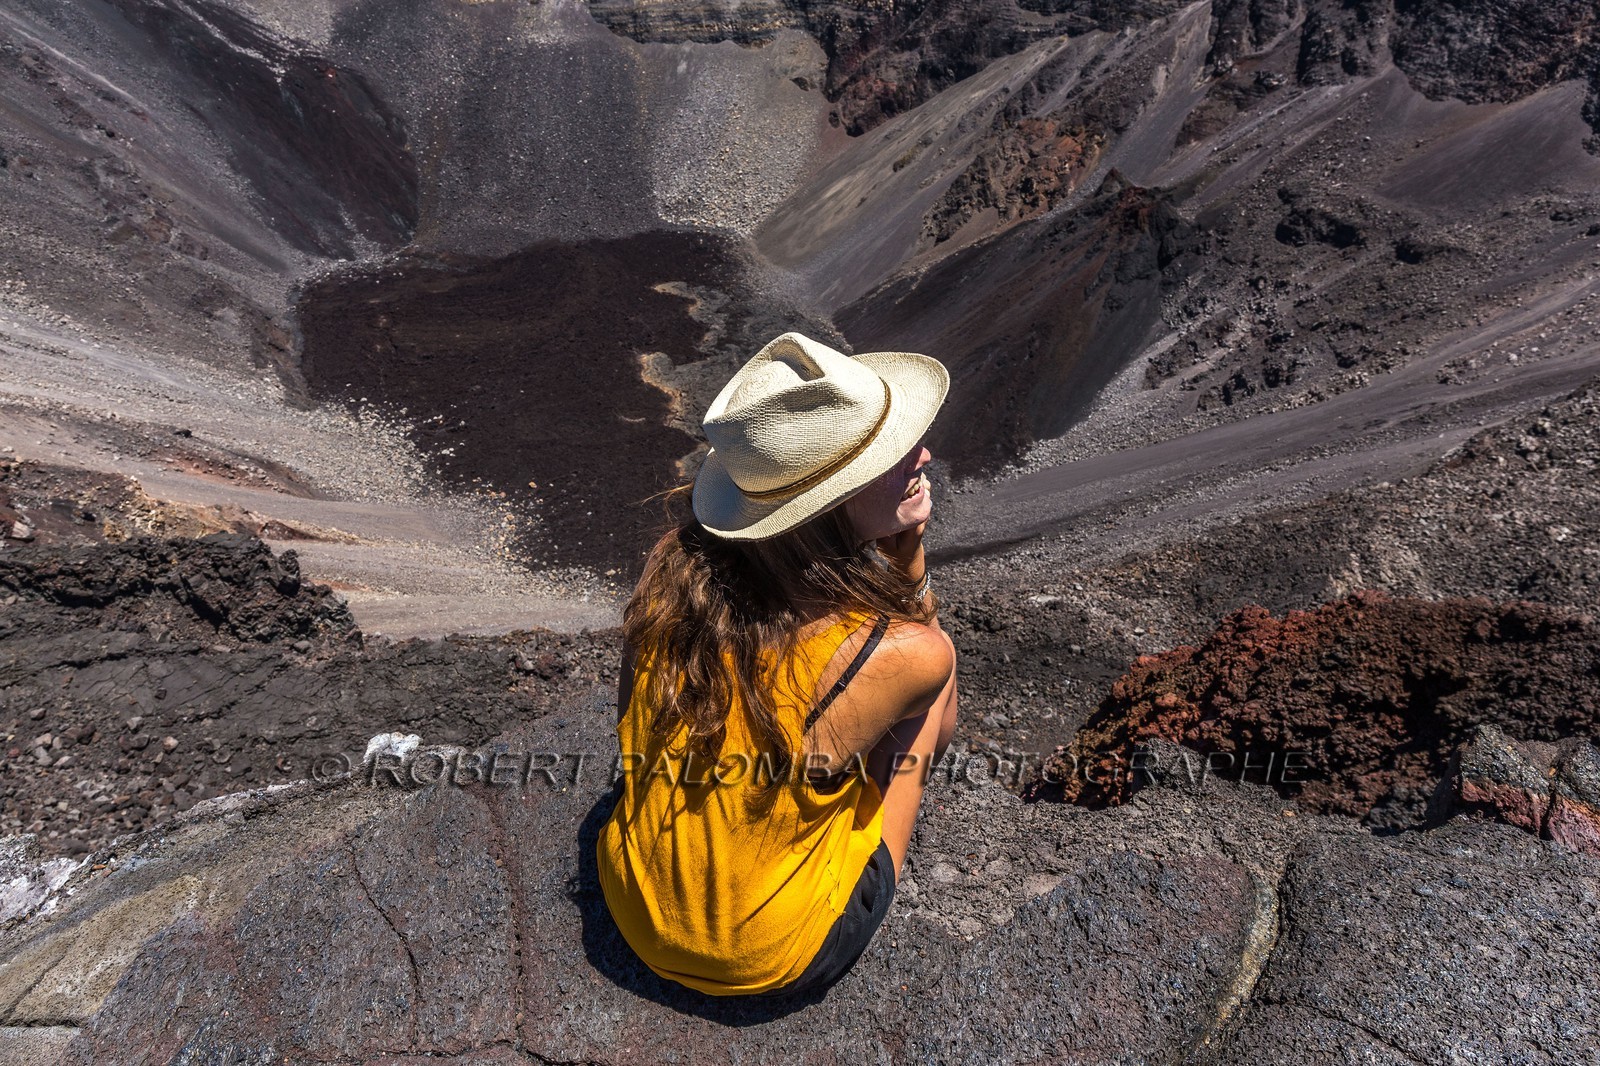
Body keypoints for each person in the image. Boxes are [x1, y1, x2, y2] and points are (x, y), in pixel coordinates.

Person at [595, 331, 960, 999]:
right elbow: (945, 724)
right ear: (832, 501)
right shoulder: (901, 651)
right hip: (775, 955)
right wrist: (910, 569)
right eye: (894, 452)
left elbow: (632, 743)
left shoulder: (668, 570)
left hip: (636, 910)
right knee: (928, 697)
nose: (924, 453)